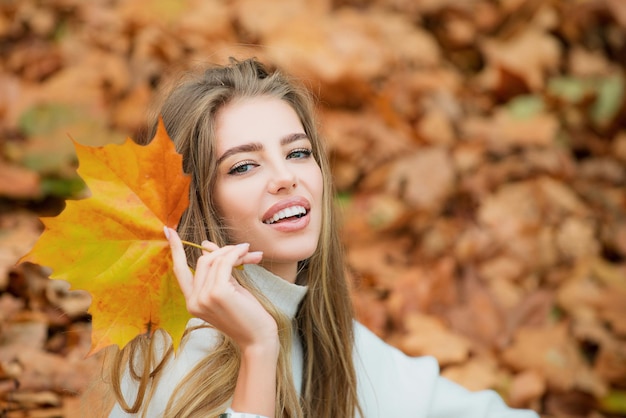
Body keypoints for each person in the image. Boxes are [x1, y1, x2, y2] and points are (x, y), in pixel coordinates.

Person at [108, 58, 539, 418]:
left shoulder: (323, 331)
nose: (285, 178)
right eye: (243, 166)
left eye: (297, 153)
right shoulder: (176, 358)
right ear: (198, 201)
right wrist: (258, 349)